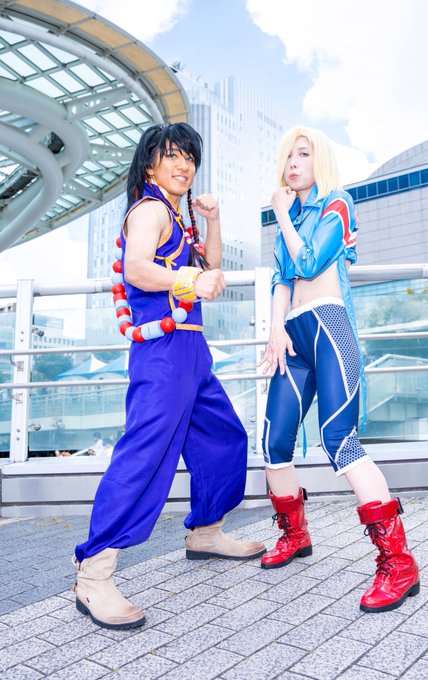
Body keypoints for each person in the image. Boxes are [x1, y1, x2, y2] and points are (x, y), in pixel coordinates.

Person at [72, 123, 265, 631]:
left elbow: (210, 269)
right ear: (150, 164)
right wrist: (188, 279)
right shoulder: (150, 210)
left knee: (223, 439)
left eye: (190, 157)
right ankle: (94, 572)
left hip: (192, 349)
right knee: (146, 455)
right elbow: (136, 268)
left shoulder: (179, 216)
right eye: (172, 155)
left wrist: (213, 221)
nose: (183, 165)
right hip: (161, 352)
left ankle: (205, 532)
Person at [258, 125, 419, 613]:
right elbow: (282, 279)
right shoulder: (291, 217)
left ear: (319, 160)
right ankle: (295, 535)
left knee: (339, 440)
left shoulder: (337, 203)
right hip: (294, 335)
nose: (292, 163)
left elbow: (309, 262)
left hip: (330, 327)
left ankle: (399, 563)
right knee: (273, 442)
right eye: (288, 156)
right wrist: (275, 330)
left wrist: (282, 214)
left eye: (303, 154)